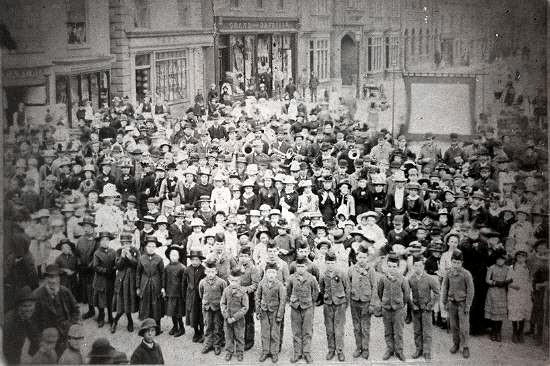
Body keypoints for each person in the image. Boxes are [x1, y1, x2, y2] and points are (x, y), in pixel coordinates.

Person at [32, 264, 80, 353]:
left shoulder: (65, 291)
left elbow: (76, 310)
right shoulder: (37, 295)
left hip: (64, 336)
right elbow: (32, 322)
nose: (53, 281)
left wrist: (71, 324)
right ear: (45, 279)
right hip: (47, 339)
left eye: (55, 277)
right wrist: (40, 341)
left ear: (59, 278)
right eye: (50, 277)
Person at [440, 249, 474, 359]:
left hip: (462, 303)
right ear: (451, 262)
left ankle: (465, 347)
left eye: (458, 263)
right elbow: (445, 287)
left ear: (462, 263)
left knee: (464, 326)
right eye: (454, 262)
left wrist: (468, 304)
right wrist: (444, 301)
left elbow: (470, 290)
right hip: (451, 303)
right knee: (453, 326)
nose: (456, 265)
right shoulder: (448, 273)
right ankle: (456, 343)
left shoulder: (466, 274)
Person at [348, 244, 379, 360]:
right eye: (360, 257)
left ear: (367, 258)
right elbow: (348, 285)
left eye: (364, 257)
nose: (362, 260)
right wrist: (349, 299)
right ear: (356, 257)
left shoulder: (371, 270)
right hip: (355, 301)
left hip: (366, 302)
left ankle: (365, 348)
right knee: (356, 327)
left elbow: (374, 287)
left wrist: (372, 303)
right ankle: (358, 348)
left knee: (365, 327)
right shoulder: (351, 270)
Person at [377, 253, 410, 361]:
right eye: (390, 266)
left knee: (398, 331)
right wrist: (385, 302)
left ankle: (399, 351)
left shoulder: (403, 279)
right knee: (388, 331)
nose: (392, 269)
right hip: (386, 308)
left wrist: (401, 304)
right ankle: (390, 349)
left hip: (398, 309)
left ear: (398, 267)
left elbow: (406, 294)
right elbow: (380, 291)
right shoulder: (382, 278)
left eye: (394, 267)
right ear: (387, 266)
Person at [287, 256, 319, 364]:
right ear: (296, 266)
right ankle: (297, 353)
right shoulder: (291, 278)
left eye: (302, 266)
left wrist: (310, 302)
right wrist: (293, 301)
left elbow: (315, 292)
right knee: (296, 331)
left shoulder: (312, 278)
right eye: (298, 266)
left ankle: (306, 352)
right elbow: (288, 291)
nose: (300, 268)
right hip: (295, 307)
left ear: (306, 266)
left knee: (307, 330)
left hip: (308, 307)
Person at [319, 249, 350, 362]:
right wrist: (326, 298)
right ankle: (331, 349)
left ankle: (340, 351)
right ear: (325, 263)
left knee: (339, 329)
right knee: (329, 328)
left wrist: (345, 303)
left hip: (340, 304)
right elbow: (322, 289)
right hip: (328, 304)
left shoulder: (341, 273)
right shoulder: (323, 275)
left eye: (332, 263)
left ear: (335, 262)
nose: (330, 265)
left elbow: (347, 288)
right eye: (328, 263)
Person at [408, 255, 440, 360]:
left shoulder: (429, 278)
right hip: (416, 309)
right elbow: (406, 293)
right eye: (416, 265)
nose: (418, 268)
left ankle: (427, 351)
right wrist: (412, 305)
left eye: (420, 265)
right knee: (417, 330)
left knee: (427, 331)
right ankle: (418, 349)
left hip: (426, 309)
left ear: (423, 266)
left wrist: (430, 305)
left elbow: (437, 293)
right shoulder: (410, 279)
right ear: (413, 267)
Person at [3, 286, 43, 364]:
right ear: (18, 306)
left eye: (30, 305)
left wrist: (32, 355)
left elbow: (35, 336)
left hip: (16, 353)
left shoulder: (28, 318)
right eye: (24, 306)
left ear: (35, 305)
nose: (28, 309)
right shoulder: (9, 321)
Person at [256, 261, 286, 363]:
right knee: (265, 332)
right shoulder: (261, 283)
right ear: (265, 273)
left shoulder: (279, 285)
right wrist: (258, 310)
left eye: (273, 272)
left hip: (275, 311)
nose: (271, 275)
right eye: (269, 272)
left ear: (276, 273)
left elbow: (282, 300)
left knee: (274, 333)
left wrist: (280, 315)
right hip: (264, 311)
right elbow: (258, 297)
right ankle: (265, 351)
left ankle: (274, 352)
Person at [111, 232, 140, 333]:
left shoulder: (135, 250)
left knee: (129, 301)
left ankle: (128, 321)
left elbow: (138, 265)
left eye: (128, 243)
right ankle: (117, 321)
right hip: (121, 279)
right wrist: (123, 257)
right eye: (124, 243)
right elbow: (117, 266)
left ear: (131, 243)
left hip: (131, 279)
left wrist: (130, 257)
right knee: (121, 302)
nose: (126, 245)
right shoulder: (119, 251)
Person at [137, 236, 165, 335]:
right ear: (145, 247)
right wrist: (138, 287)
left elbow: (162, 274)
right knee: (145, 306)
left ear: (156, 247)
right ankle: (145, 327)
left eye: (153, 246)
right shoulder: (142, 258)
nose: (151, 248)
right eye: (149, 246)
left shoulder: (159, 259)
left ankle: (157, 328)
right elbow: (138, 273)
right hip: (144, 285)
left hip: (155, 285)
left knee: (156, 306)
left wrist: (162, 287)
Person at [199, 258, 227, 355]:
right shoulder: (202, 282)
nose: (211, 274)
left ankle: (216, 344)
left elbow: (224, 296)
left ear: (216, 271)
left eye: (213, 271)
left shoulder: (221, 282)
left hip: (217, 308)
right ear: (205, 271)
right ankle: (207, 343)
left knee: (217, 326)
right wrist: (205, 302)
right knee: (207, 326)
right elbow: (201, 293)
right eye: (208, 271)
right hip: (206, 308)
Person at [220, 268, 249, 361]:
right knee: (228, 336)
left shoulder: (243, 292)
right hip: (227, 319)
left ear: (240, 280)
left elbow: (245, 307)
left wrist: (235, 318)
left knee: (239, 336)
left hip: (239, 320)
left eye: (236, 281)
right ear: (228, 280)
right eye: (231, 280)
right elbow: (222, 303)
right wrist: (227, 316)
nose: (233, 283)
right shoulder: (226, 291)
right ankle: (229, 351)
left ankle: (240, 352)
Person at [484, 248, 510, 342]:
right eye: (498, 259)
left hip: (502, 292)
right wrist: (495, 283)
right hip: (493, 291)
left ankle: (498, 332)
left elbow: (510, 278)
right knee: (493, 313)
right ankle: (493, 331)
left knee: (500, 313)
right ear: (495, 259)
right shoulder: (491, 268)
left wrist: (506, 282)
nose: (500, 261)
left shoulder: (507, 268)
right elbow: (487, 280)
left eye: (502, 259)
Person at [92, 231, 117, 328]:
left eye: (107, 240)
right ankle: (101, 317)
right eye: (103, 240)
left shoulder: (113, 252)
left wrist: (114, 268)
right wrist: (106, 270)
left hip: (111, 280)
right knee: (101, 300)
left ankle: (111, 317)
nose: (105, 242)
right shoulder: (97, 253)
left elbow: (116, 263)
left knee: (110, 299)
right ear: (100, 242)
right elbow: (95, 266)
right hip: (100, 280)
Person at [163, 245, 186, 337]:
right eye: (172, 255)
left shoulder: (182, 268)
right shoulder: (167, 267)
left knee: (178, 312)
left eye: (176, 255)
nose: (173, 256)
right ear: (169, 256)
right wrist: (163, 289)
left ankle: (181, 328)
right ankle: (175, 326)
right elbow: (163, 279)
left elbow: (184, 282)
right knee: (172, 311)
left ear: (179, 256)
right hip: (170, 293)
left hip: (178, 294)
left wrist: (183, 293)